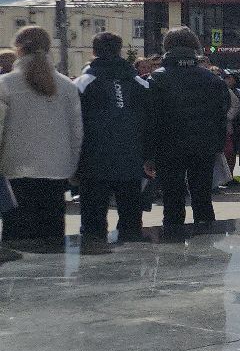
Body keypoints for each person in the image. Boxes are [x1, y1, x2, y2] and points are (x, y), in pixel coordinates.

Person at [0, 27, 82, 243]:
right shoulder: (67, 86)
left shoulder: (5, 84)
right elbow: (76, 133)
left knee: (17, 238)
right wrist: (71, 166)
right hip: (57, 171)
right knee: (52, 240)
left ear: (17, 49)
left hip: (15, 171)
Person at [144, 28, 232, 231]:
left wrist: (149, 155)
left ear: (167, 47)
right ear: (194, 47)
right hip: (204, 147)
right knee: (203, 198)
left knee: (172, 200)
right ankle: (207, 241)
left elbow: (150, 121)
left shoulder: (156, 80)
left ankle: (173, 246)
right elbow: (222, 113)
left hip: (168, 148)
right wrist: (216, 145)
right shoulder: (212, 80)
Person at [73, 32, 151, 243]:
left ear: (94, 52)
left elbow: (74, 125)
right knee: (131, 225)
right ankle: (131, 269)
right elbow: (150, 122)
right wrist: (148, 155)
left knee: (92, 226)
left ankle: (93, 267)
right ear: (120, 51)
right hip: (131, 162)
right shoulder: (140, 83)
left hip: (93, 163)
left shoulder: (83, 82)